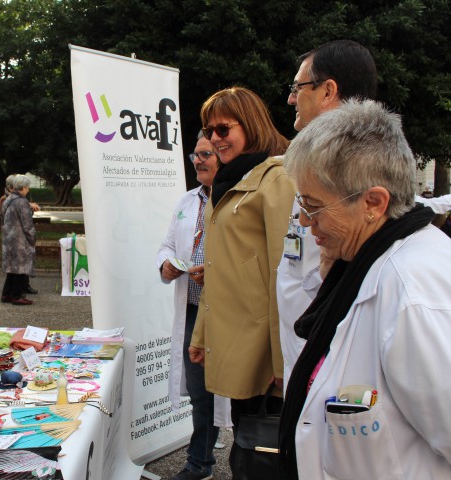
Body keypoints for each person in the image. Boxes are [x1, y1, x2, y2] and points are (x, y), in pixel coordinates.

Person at [278, 99, 451, 479]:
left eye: (313, 206)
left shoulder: (417, 290)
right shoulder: (366, 261)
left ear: (373, 203)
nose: (306, 222)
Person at [276, 39, 451, 387]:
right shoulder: (322, 170)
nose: (291, 99)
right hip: (313, 358)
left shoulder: (414, 289)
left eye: (298, 87)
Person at [187, 86, 294, 474]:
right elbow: (218, 268)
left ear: (250, 124)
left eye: (223, 128)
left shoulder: (277, 179)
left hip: (261, 345)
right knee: (247, 440)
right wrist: (201, 334)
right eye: (208, 130)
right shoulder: (230, 179)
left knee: (263, 450)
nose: (214, 138)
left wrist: (283, 361)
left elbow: (286, 274)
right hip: (233, 337)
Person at [156, 132, 229, 480]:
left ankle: (240, 459)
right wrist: (166, 264)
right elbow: (168, 244)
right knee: (200, 391)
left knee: (231, 390)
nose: (198, 161)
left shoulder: (236, 198)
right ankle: (199, 463)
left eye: (206, 155)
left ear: (223, 157)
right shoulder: (187, 201)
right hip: (193, 310)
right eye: (195, 155)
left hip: (227, 313)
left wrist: (216, 273)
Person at [0, 174, 37, 295]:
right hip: (20, 240)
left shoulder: (8, 199)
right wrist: (33, 238)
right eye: (27, 187)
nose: (28, 190)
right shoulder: (22, 202)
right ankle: (17, 296)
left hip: (8, 239)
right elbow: (27, 225)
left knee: (12, 269)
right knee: (20, 269)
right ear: (24, 187)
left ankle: (6, 294)